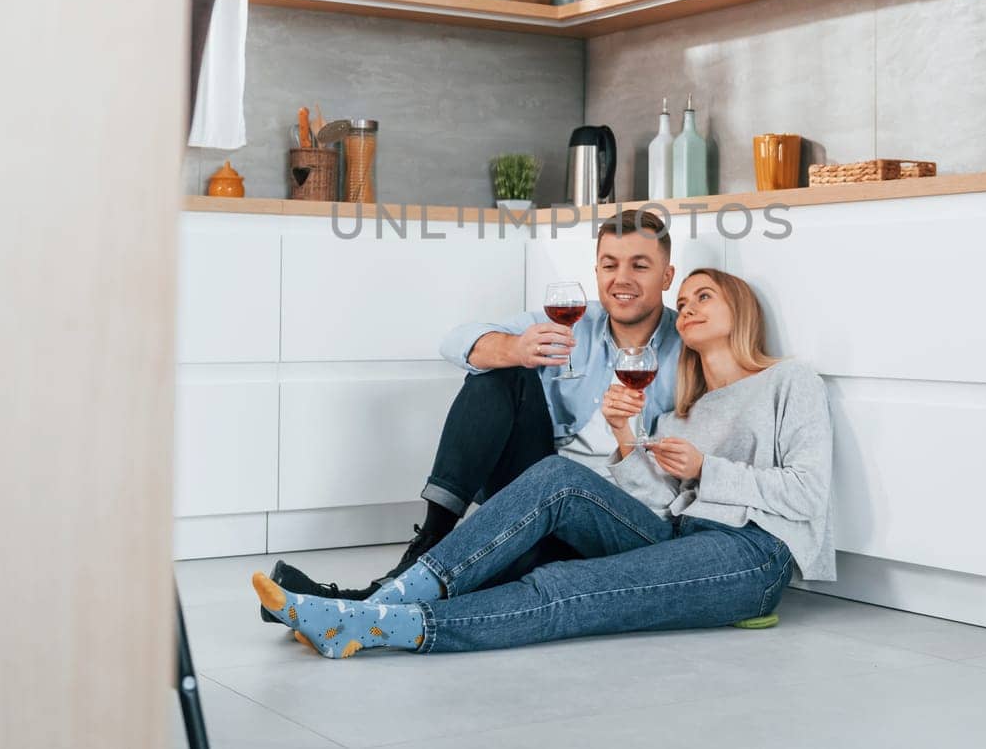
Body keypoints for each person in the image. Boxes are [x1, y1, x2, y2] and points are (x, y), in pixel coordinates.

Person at [252, 267, 835, 657]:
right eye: (682, 303)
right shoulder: (684, 410)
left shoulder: (790, 380)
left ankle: (375, 625)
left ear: (743, 307)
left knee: (565, 585)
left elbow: (809, 494)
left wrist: (707, 469)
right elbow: (658, 503)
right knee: (558, 476)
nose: (686, 308)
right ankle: (383, 598)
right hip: (675, 535)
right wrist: (625, 436)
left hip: (750, 555)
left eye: (703, 296)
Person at [262, 207, 682, 613]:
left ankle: (359, 602)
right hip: (537, 488)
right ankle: (431, 537)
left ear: (667, 275)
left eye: (639, 266)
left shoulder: (689, 348)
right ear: (596, 272)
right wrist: (513, 348)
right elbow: (457, 341)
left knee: (497, 568)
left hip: (611, 511)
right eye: (610, 265)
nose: (621, 279)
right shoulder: (576, 323)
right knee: (499, 373)